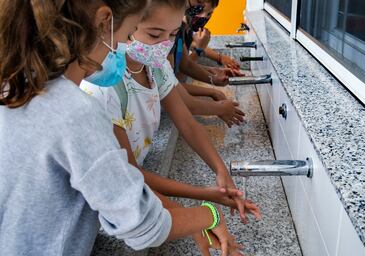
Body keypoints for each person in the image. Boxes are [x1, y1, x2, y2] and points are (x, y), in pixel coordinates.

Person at [0, 1, 242, 256]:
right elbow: (143, 225)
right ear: (105, 21)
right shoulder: (75, 111)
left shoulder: (17, 86)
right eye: (127, 35)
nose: (122, 49)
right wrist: (209, 214)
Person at [81, 0, 260, 223]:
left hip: (137, 181)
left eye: (174, 34)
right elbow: (128, 174)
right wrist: (207, 195)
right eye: (155, 35)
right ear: (128, 26)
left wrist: (220, 170)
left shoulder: (154, 65)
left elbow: (187, 123)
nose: (164, 44)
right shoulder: (105, 86)